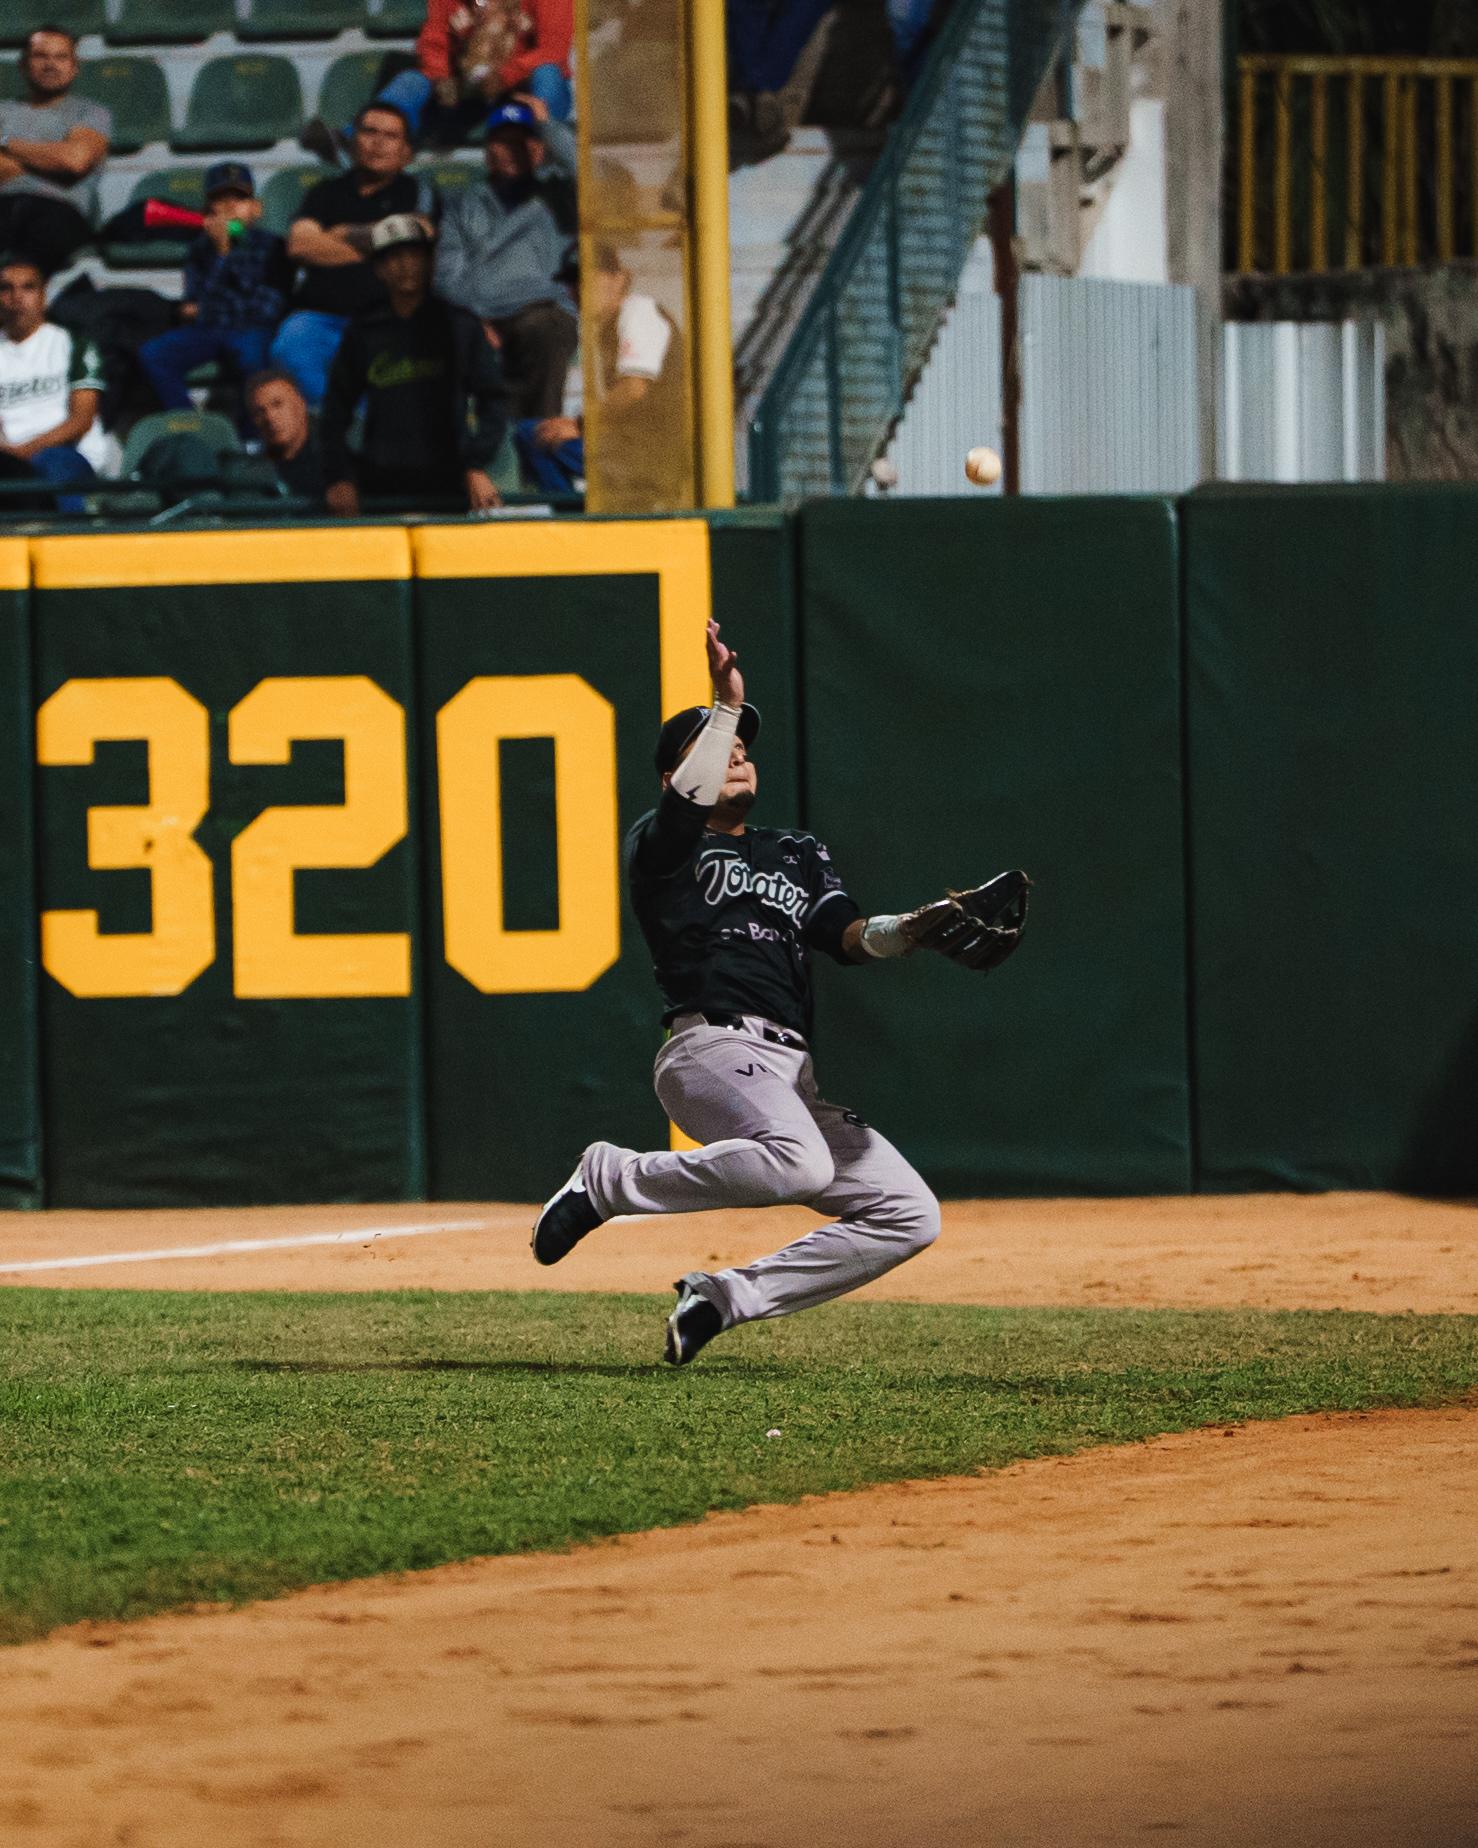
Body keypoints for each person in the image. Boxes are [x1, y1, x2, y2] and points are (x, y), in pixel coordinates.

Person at [530, 621, 1029, 1365]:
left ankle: (726, 1297)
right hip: (708, 1047)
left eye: (742, 747)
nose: (736, 752)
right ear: (675, 778)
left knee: (908, 1213)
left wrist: (916, 928)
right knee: (801, 1165)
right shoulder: (661, 846)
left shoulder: (795, 851)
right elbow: (680, 813)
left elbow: (849, 937)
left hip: (790, 1074)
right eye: (717, 747)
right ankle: (611, 1180)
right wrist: (722, 708)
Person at [320, 214, 507, 515]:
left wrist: (475, 464)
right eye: (394, 258)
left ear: (431, 261)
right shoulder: (364, 330)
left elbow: (494, 400)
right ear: (379, 269)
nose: (407, 265)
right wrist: (339, 477)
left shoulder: (459, 325)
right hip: (381, 482)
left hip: (447, 482)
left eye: (416, 255)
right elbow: (335, 411)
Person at [270, 103, 435, 407]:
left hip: (386, 317)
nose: (378, 142)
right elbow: (300, 246)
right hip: (319, 317)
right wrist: (379, 245)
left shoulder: (418, 193)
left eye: (391, 136)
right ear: (354, 140)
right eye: (369, 131)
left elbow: (414, 240)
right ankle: (332, 420)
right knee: (289, 345)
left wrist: (338, 233)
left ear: (405, 152)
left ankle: (361, 428)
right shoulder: (325, 192)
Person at [433, 95, 576, 421]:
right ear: (487, 152)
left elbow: (589, 172)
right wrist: (476, 319)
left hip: (540, 308)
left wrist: (547, 126)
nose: (512, 150)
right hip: (480, 312)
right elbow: (446, 275)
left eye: (522, 142)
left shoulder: (558, 195)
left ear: (538, 149)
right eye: (502, 142)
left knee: (545, 327)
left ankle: (532, 434)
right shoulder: (463, 204)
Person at [517, 244, 684, 506]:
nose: (577, 291)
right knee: (536, 433)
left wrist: (581, 425)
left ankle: (575, 524)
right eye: (572, 282)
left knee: (533, 435)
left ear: (618, 279)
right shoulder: (605, 327)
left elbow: (633, 388)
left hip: (652, 454)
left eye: (586, 278)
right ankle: (575, 520)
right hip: (630, 447)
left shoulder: (638, 311)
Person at [302, 0, 573, 160]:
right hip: (467, 85)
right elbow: (434, 40)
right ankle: (350, 141)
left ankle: (547, 147)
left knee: (547, 72)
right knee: (411, 79)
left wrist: (505, 75)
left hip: (521, 87)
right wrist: (440, 77)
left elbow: (554, 49)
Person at [136, 163, 290, 425]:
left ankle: (252, 436)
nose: (230, 207)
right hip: (211, 330)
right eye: (220, 199)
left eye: (240, 199)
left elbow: (266, 309)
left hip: (252, 330)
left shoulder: (274, 245)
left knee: (253, 355)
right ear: (208, 211)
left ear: (256, 208)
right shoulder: (200, 249)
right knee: (155, 353)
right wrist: (221, 253)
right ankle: (190, 423)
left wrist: (227, 256)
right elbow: (194, 306)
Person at [0, 25, 111, 277]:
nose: (51, 65)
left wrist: (6, 142)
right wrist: (51, 158)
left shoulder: (91, 113)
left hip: (59, 211)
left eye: (61, 57)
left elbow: (74, 161)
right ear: (23, 65)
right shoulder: (3, 111)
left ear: (74, 67)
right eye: (41, 56)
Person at [0, 249, 106, 508]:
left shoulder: (73, 345)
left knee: (55, 466)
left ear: (43, 296)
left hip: (65, 452)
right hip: (7, 459)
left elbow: (81, 419)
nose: (17, 298)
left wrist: (26, 450)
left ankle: (71, 544)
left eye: (28, 288)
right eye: (6, 288)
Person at [243, 368, 323, 499]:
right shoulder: (252, 477)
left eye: (277, 404)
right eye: (259, 411)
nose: (269, 417)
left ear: (301, 404)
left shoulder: (336, 463)